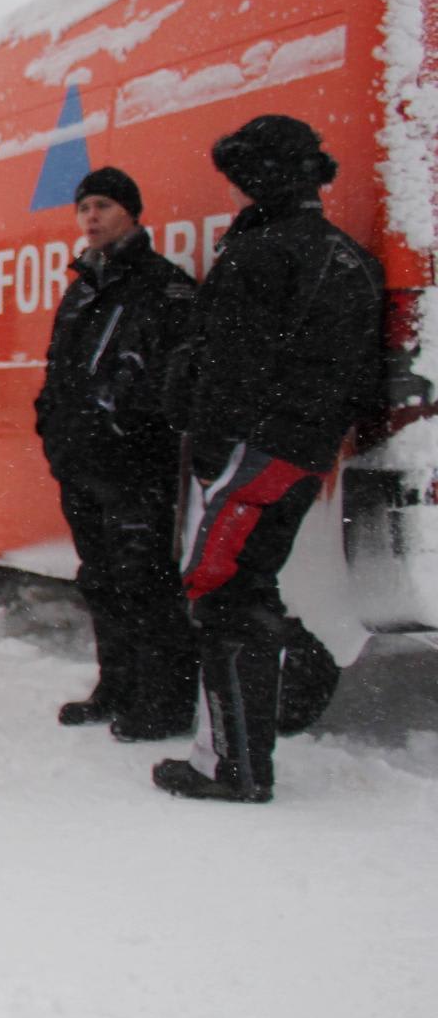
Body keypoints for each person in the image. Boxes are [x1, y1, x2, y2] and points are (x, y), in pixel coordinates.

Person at [156, 115, 384, 803]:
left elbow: (227, 365)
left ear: (260, 177)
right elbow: (362, 378)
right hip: (305, 452)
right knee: (247, 586)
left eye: (238, 176)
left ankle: (234, 767)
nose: (233, 190)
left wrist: (210, 444)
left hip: (252, 451)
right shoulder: (350, 258)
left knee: (222, 592)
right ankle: (243, 751)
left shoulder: (260, 253)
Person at [33, 166, 201, 742]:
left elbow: (177, 380)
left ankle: (165, 701)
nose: (91, 217)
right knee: (99, 580)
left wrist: (129, 425)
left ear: (131, 212)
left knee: (146, 580)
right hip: (81, 464)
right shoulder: (82, 287)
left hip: (135, 465)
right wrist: (53, 430)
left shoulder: (163, 285)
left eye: (103, 205)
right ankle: (117, 685)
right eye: (84, 208)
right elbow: (58, 371)